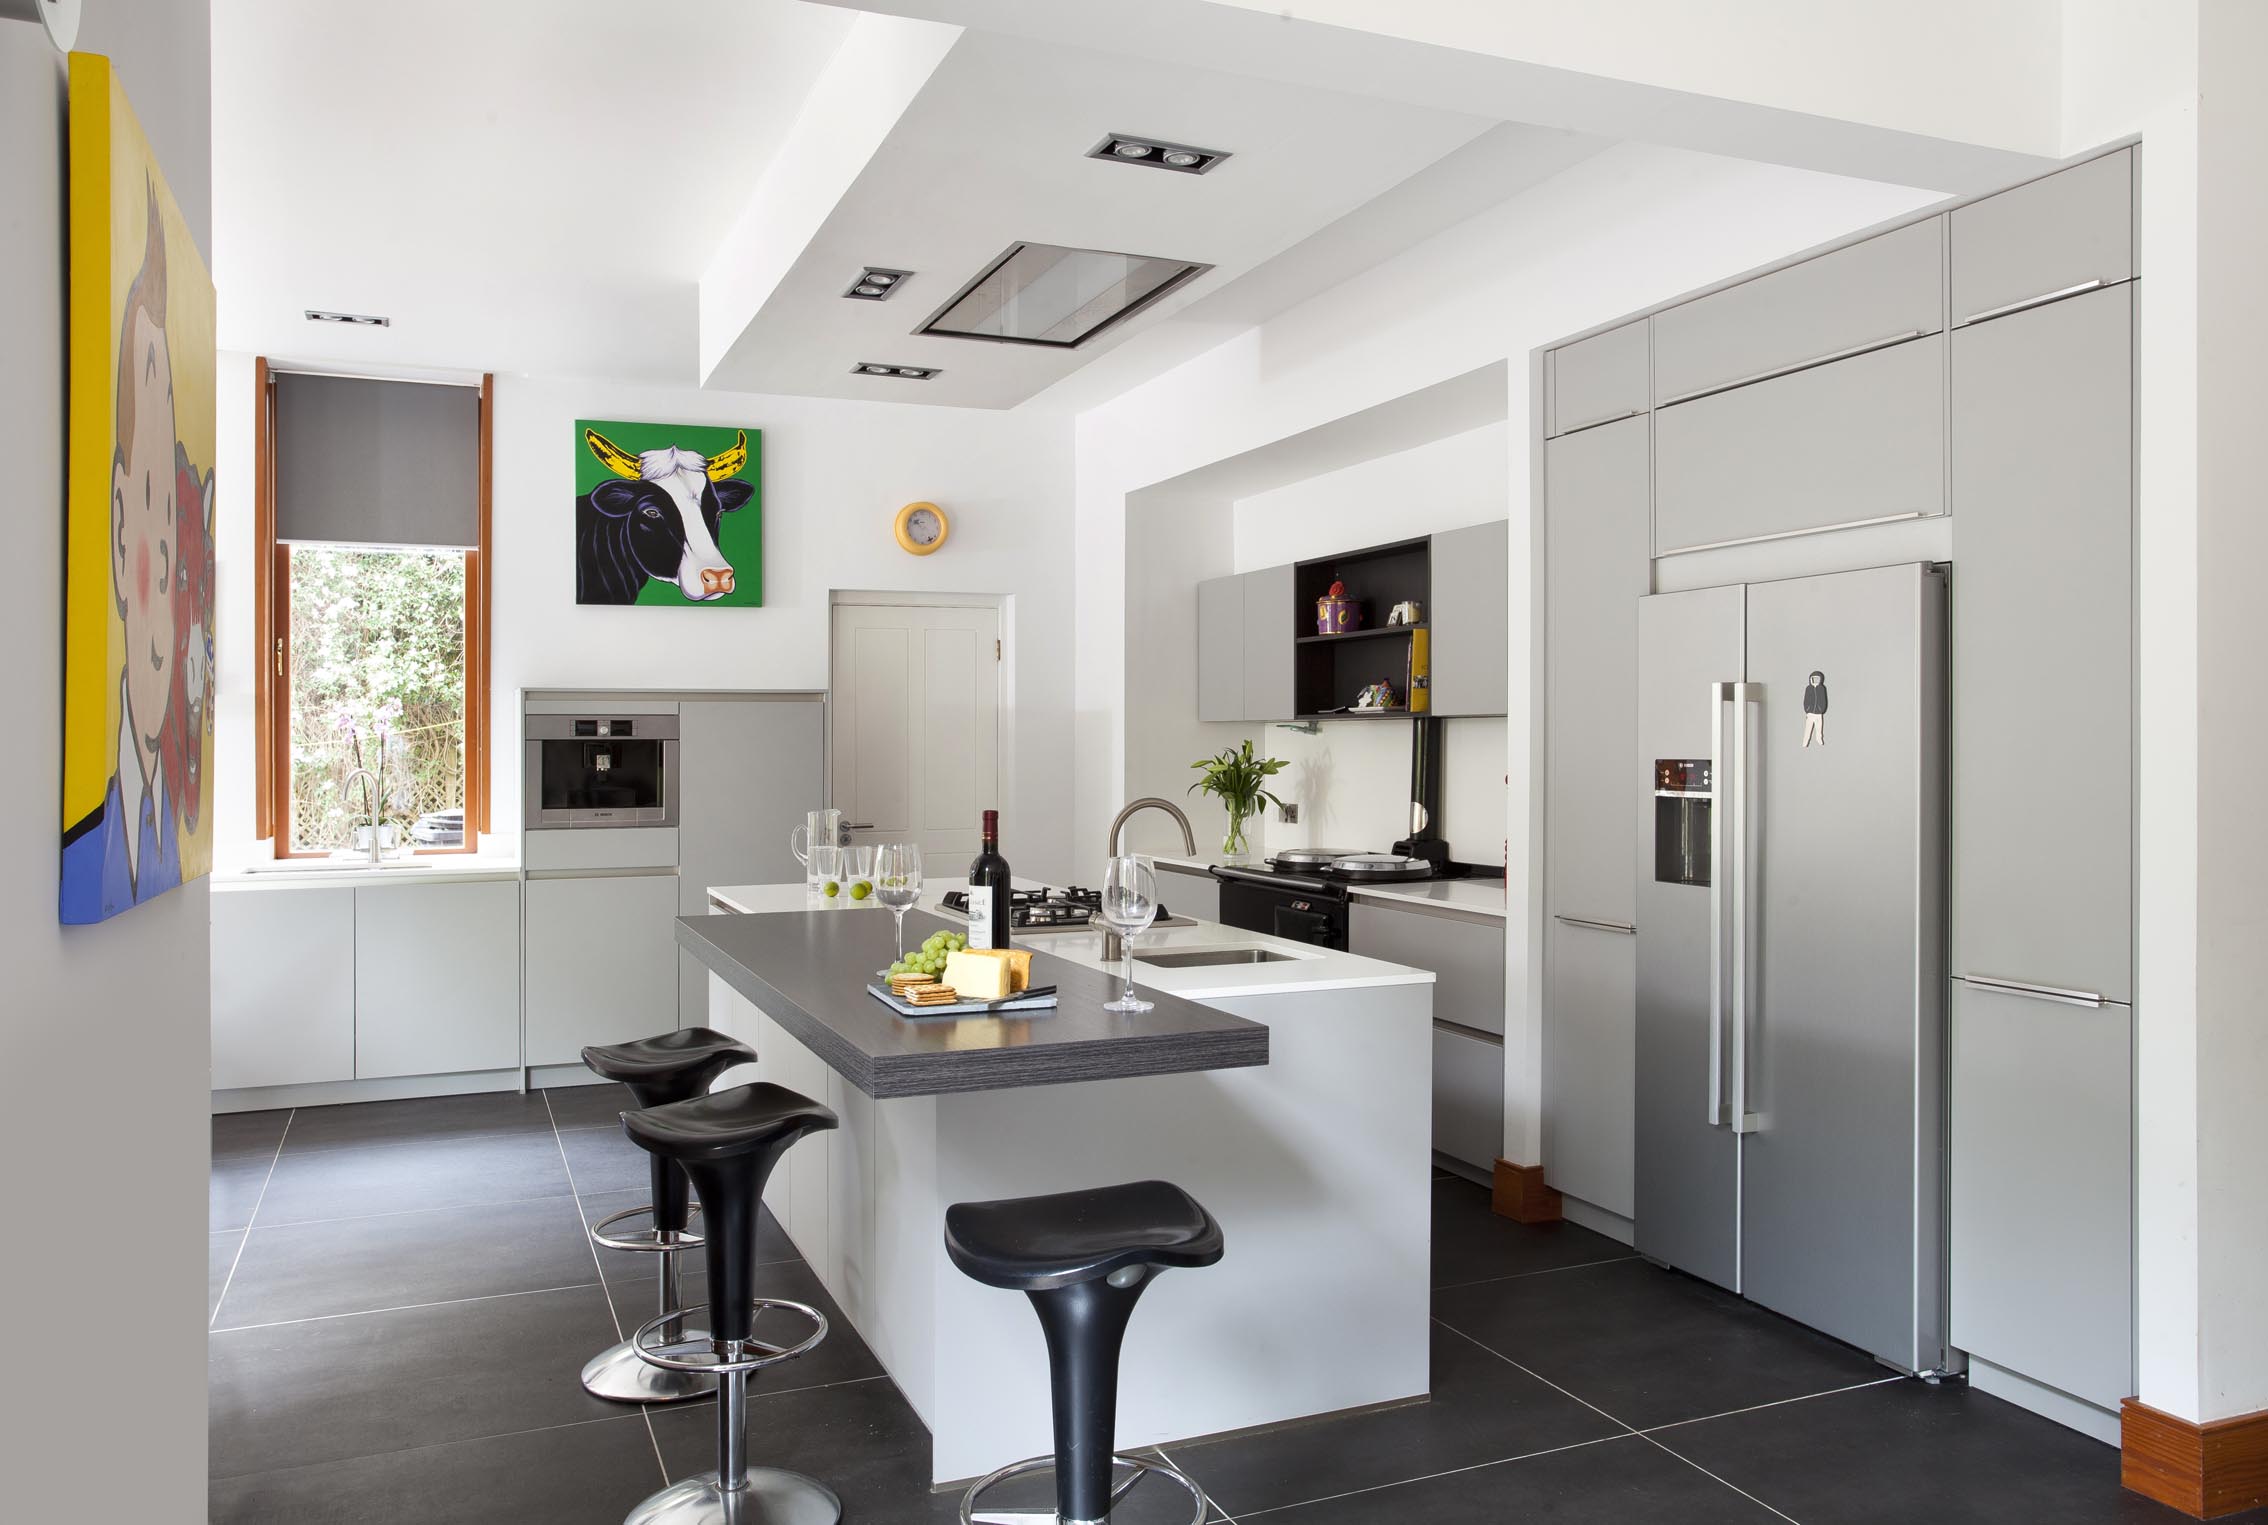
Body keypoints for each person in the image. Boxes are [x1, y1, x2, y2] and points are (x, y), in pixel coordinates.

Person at [61, 183, 210, 921]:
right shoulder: (96, 840)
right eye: (148, 509)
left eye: (175, 530)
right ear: (118, 528)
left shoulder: (167, 834)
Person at [1802, 670, 1829, 747]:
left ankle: (1819, 739)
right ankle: (1805, 742)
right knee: (1808, 729)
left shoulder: (1822, 688)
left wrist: (1821, 709)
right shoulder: (1808, 688)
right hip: (1810, 713)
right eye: (1813, 678)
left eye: (1817, 678)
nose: (1815, 680)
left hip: (1818, 714)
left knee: (1819, 729)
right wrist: (1807, 709)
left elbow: (1823, 700)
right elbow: (1805, 700)